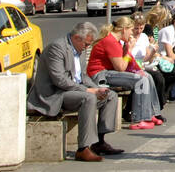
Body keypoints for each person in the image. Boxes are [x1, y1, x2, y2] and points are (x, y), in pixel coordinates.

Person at [27, 22, 122, 162]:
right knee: (88, 98)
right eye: (86, 44)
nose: (87, 48)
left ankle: (99, 140)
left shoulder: (80, 50)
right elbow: (60, 80)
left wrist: (98, 88)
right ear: (77, 38)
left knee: (110, 95)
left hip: (74, 90)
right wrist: (89, 90)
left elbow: (82, 76)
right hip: (55, 94)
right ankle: (83, 148)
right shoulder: (57, 48)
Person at [86, 17, 161, 130]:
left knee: (146, 76)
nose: (132, 33)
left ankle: (151, 113)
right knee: (141, 80)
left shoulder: (115, 41)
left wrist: (127, 52)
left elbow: (122, 63)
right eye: (131, 30)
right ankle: (138, 119)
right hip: (100, 75)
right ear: (124, 29)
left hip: (108, 72)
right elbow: (121, 67)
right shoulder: (110, 41)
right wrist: (129, 50)